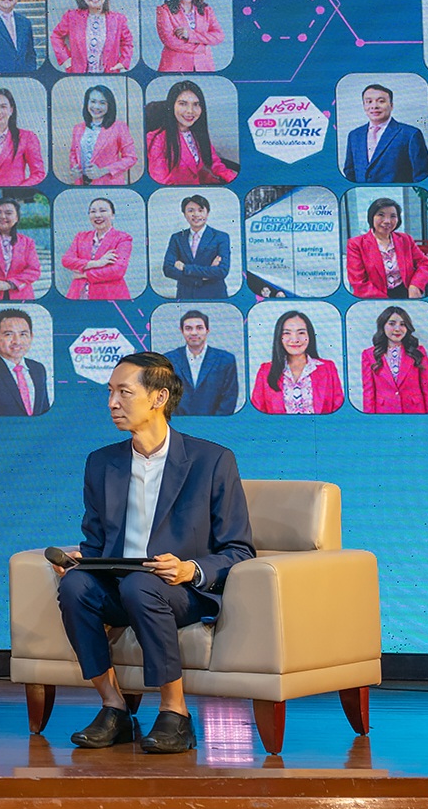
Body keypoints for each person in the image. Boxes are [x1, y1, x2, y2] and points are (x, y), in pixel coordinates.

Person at [52, 352, 255, 755]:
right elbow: (96, 540)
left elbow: (239, 549)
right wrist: (81, 560)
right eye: (110, 392)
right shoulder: (102, 463)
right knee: (75, 585)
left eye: (124, 392)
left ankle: (175, 713)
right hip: (120, 585)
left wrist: (190, 569)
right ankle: (113, 708)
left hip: (179, 591)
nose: (112, 402)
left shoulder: (211, 461)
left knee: (141, 586)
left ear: (159, 397)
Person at [249, 310, 344, 414]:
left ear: (309, 335)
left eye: (301, 332)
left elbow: (338, 410)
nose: (295, 339)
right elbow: (256, 415)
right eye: (287, 333)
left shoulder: (327, 368)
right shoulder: (265, 371)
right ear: (279, 337)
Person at [146, 80, 234, 185]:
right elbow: (162, 182)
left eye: (196, 104)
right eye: (183, 104)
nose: (190, 111)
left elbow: (215, 163)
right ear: (172, 105)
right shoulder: (156, 140)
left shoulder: (197, 134)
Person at [344, 197, 428, 299]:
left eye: (393, 216)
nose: (387, 221)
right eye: (381, 215)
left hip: (406, 294)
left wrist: (415, 286)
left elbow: (425, 264)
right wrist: (386, 301)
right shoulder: (356, 244)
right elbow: (359, 282)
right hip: (373, 298)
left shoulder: (405, 239)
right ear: (371, 217)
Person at [341, 83, 428, 183]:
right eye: (369, 102)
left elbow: (422, 175)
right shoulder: (354, 135)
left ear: (391, 105)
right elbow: (350, 172)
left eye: (381, 101)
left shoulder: (410, 134)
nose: (374, 106)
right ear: (364, 106)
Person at [359, 305, 428, 414]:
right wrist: (370, 419)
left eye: (402, 324)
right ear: (383, 326)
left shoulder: (418, 352)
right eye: (392, 324)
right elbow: (368, 393)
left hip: (415, 412)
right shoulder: (369, 355)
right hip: (385, 413)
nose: (397, 329)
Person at [51, 0, 133, 73]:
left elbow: (127, 42)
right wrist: (65, 59)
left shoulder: (118, 19)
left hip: (108, 73)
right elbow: (56, 36)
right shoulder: (72, 17)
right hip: (78, 74)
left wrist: (123, 62)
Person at [62, 197, 134, 300]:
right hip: (78, 296)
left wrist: (85, 274)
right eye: (93, 211)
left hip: (109, 296)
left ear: (112, 215)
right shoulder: (81, 237)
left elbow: (118, 270)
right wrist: (96, 263)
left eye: (103, 211)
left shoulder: (122, 238)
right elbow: (66, 260)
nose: (97, 215)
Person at [168, 310, 238, 416]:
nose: (194, 333)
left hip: (215, 423)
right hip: (179, 423)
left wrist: (214, 423)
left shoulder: (226, 360)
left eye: (199, 328)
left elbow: (229, 397)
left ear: (207, 330)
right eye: (188, 328)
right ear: (181, 331)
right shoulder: (169, 359)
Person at [66, 84, 137, 185]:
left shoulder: (119, 127)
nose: (96, 107)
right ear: (87, 103)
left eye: (102, 103)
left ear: (109, 105)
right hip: (81, 184)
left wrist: (102, 171)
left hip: (108, 183)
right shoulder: (78, 128)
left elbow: (131, 158)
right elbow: (73, 152)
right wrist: (74, 169)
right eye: (93, 101)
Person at [161, 193, 230, 299]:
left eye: (200, 210)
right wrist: (201, 278)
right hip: (185, 295)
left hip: (214, 295)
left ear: (207, 213)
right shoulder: (177, 238)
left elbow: (222, 271)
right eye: (190, 211)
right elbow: (168, 269)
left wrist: (185, 268)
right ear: (184, 214)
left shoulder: (221, 237)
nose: (196, 214)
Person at [153, 0, 223, 72]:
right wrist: (200, 48)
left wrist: (190, 35)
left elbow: (218, 36)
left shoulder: (207, 10)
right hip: (175, 67)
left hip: (203, 66)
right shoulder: (164, 10)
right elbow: (169, 40)